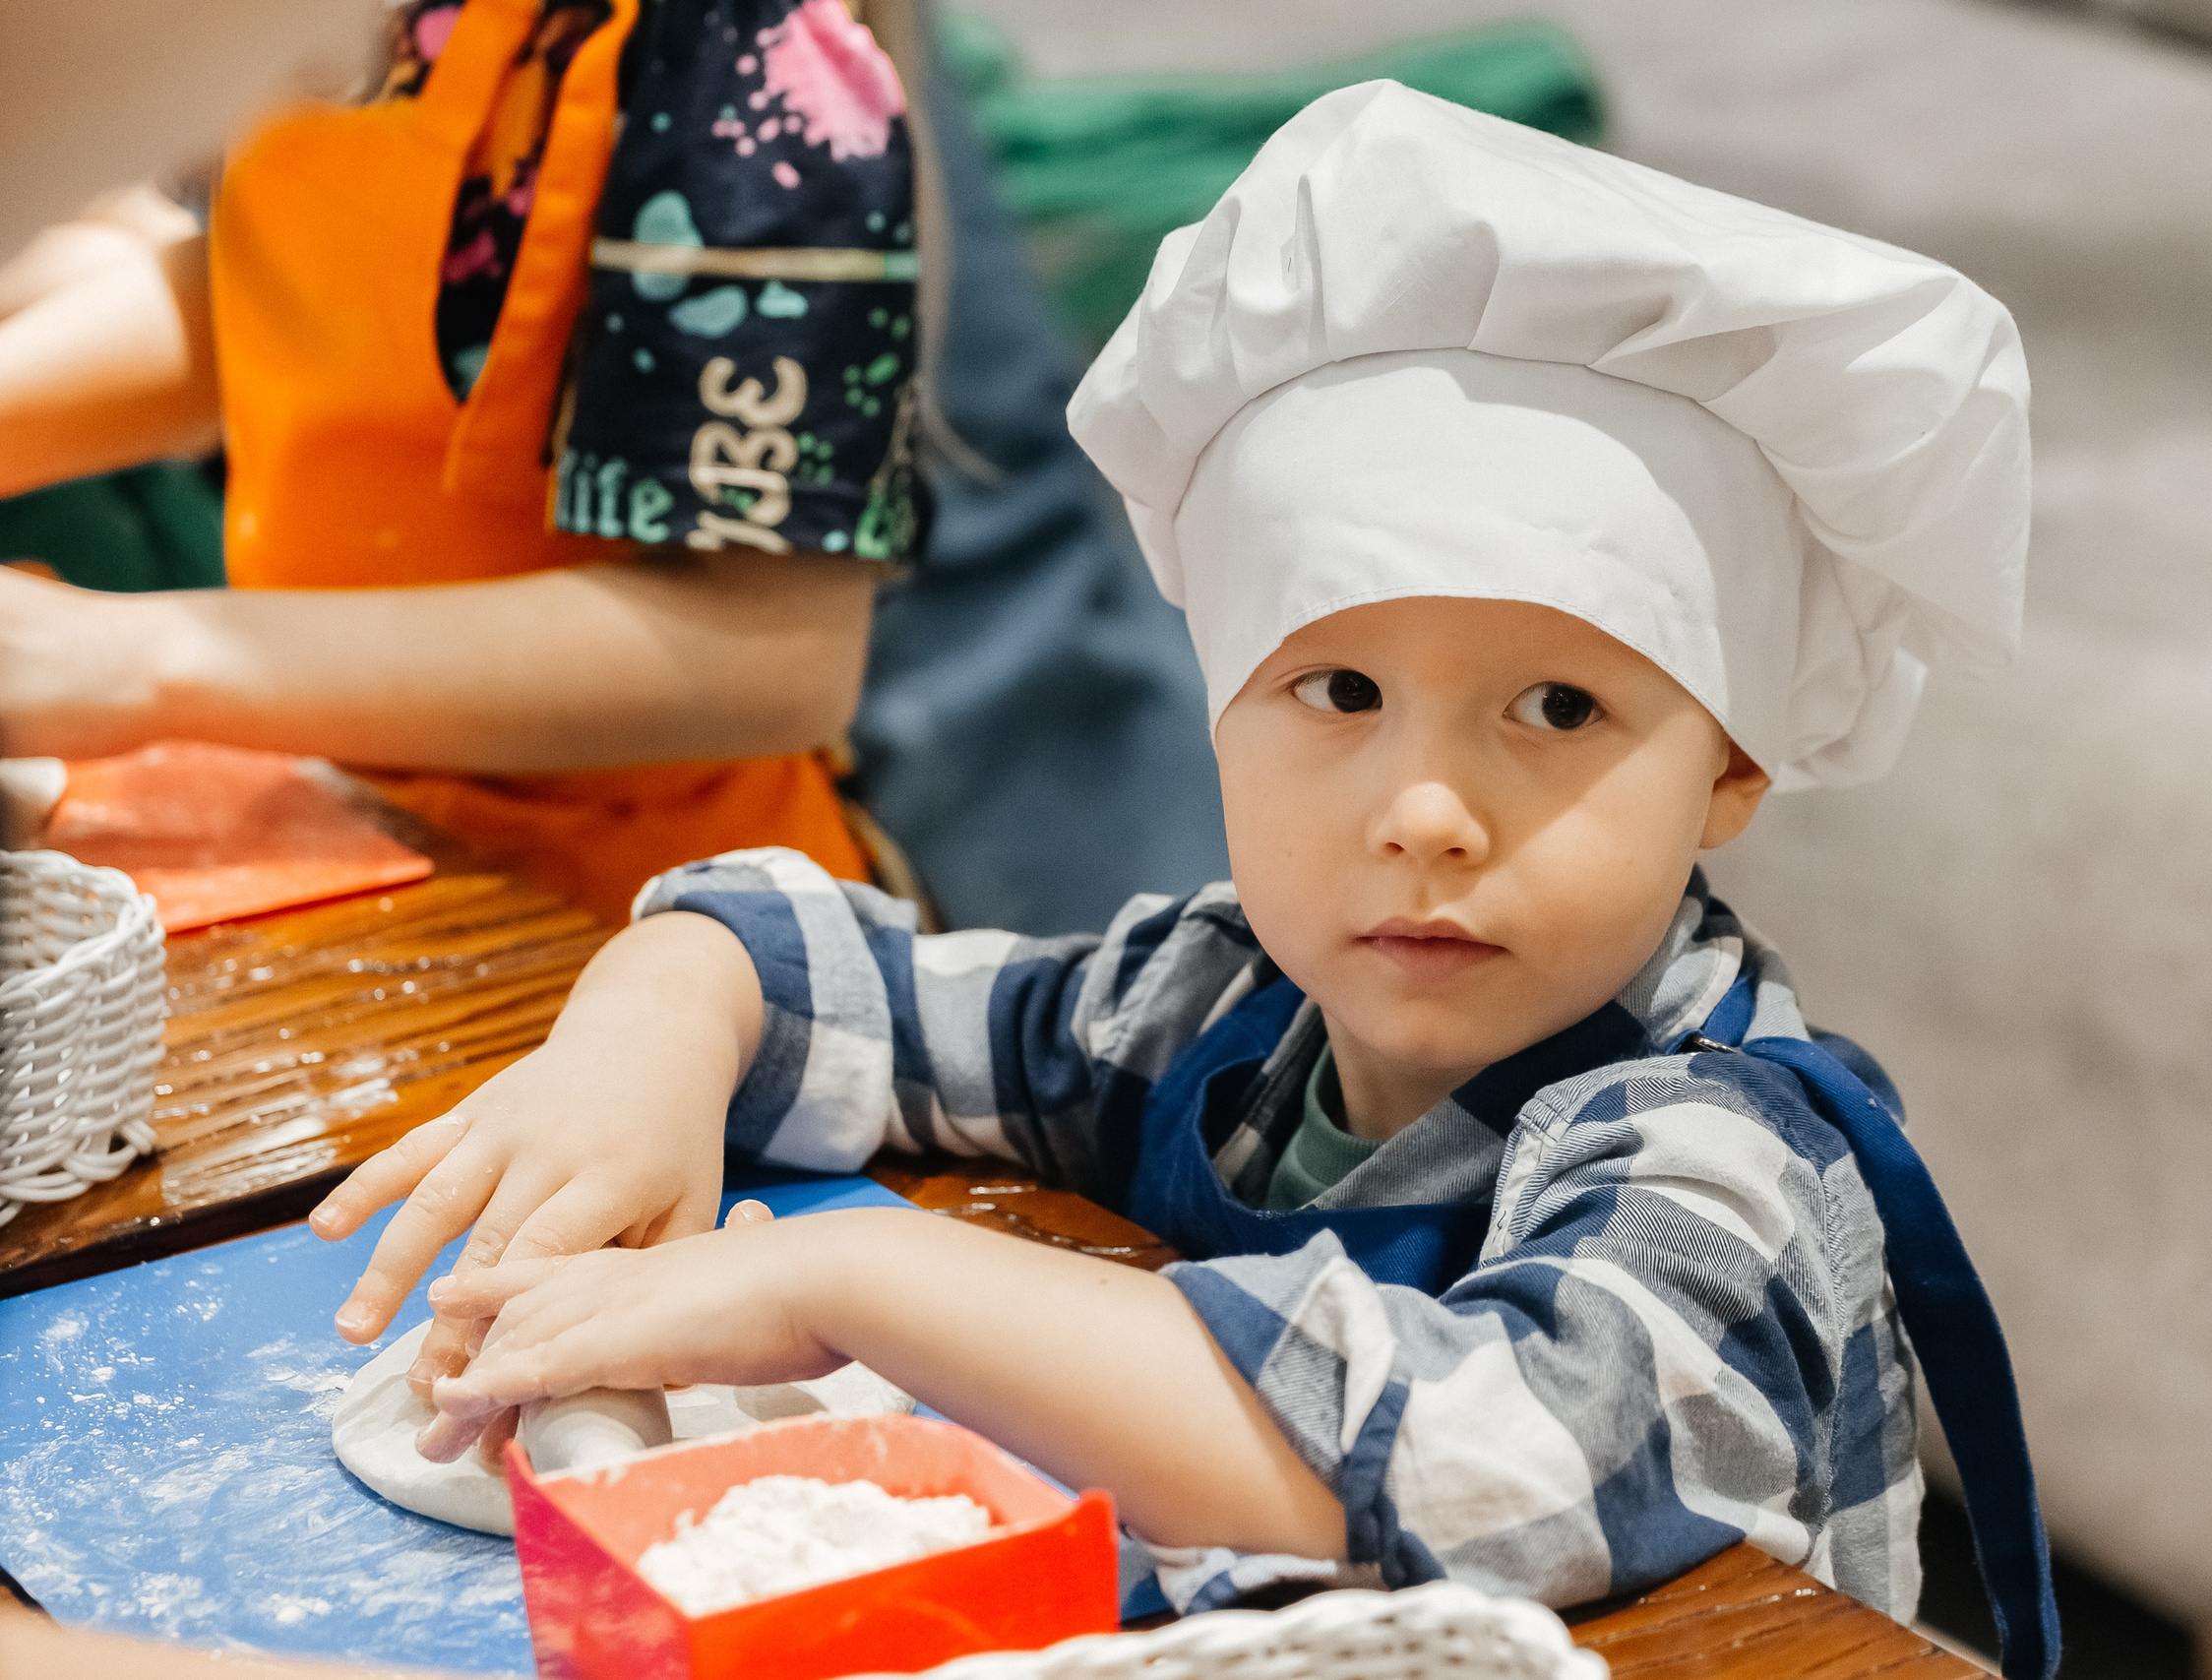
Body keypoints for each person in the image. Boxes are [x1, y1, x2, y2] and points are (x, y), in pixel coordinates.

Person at [313, 84, 2061, 1677]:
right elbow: (823, 974)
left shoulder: (1714, 1154)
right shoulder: (1224, 1002)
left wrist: (846, 1286)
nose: (1430, 810)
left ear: (1735, 767)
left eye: (1558, 707)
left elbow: (1489, 1459)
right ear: (1218, 711)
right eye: (1339, 693)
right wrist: (652, 1035)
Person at [0, 0, 937, 920]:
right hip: (343, 825)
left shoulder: (746, 62)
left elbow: (773, 658)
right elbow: (276, 292)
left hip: (651, 924)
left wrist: (139, 659)